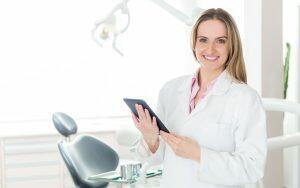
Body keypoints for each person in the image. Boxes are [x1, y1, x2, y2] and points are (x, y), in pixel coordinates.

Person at [131, 8, 267, 188]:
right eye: (203, 40)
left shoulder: (245, 98)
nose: (210, 49)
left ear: (231, 46)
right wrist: (151, 139)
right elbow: (157, 158)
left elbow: (252, 167)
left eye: (220, 41)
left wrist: (198, 153)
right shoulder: (170, 90)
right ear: (194, 43)